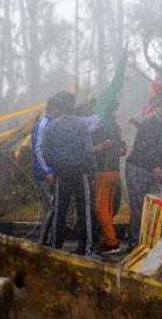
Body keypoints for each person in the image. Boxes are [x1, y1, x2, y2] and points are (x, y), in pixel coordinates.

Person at [42, 91, 97, 256]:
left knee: (60, 210)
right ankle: (85, 248)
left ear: (59, 106)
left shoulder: (52, 126)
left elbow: (46, 152)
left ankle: (55, 246)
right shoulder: (81, 125)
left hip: (61, 173)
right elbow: (88, 150)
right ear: (73, 106)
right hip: (81, 173)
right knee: (85, 211)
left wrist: (55, 166)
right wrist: (91, 169)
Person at [126, 98, 162, 247]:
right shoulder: (150, 123)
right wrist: (155, 166)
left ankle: (149, 240)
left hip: (150, 168)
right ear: (157, 108)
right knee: (138, 206)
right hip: (138, 167)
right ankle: (135, 242)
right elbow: (145, 147)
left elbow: (161, 144)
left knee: (154, 204)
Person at [91, 105, 126, 254]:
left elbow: (93, 150)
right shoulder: (116, 128)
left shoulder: (98, 129)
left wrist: (98, 147)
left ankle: (112, 243)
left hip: (103, 173)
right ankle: (107, 240)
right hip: (115, 172)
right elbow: (122, 149)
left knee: (100, 210)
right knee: (108, 208)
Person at [31, 95, 58, 245]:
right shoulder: (43, 124)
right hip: (44, 175)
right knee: (52, 206)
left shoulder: (52, 123)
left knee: (51, 207)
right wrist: (46, 171)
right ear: (52, 108)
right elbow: (38, 148)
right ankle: (43, 241)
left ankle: (49, 240)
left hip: (51, 172)